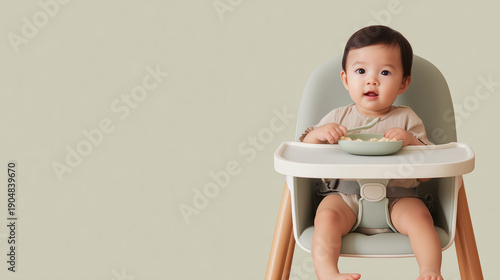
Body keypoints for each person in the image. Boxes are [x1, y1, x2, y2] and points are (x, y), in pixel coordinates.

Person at [301, 25, 443, 280]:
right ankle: (328, 274)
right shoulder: (337, 117)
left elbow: (427, 174)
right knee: (326, 217)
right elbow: (304, 155)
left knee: (421, 218)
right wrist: (319, 135)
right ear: (346, 79)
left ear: (403, 83)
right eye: (360, 71)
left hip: (398, 197)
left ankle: (429, 271)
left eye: (385, 72)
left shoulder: (408, 119)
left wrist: (410, 141)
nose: (372, 80)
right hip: (344, 195)